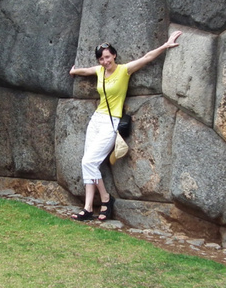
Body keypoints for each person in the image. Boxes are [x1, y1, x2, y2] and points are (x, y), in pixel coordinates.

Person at [69, 30, 182, 222]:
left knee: (88, 162)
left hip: (111, 122)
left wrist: (166, 45)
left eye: (107, 57)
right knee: (89, 162)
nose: (105, 61)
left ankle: (106, 198)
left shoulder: (124, 70)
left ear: (113, 55)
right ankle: (88, 208)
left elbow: (146, 58)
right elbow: (86, 71)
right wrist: (74, 71)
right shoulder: (100, 71)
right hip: (96, 120)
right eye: (101, 59)